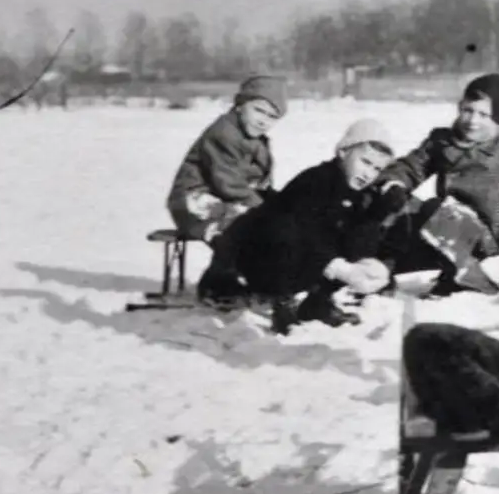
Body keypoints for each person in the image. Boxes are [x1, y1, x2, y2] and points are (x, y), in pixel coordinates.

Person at [197, 118, 397, 334]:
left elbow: (351, 241)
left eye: (377, 168)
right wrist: (339, 268)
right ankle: (281, 302)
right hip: (254, 260)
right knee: (291, 227)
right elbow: (301, 230)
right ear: (343, 152)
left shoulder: (357, 194)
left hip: (295, 263)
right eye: (365, 162)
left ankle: (317, 303)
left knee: (358, 230)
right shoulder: (316, 181)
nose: (369, 173)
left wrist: (377, 215)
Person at [373, 73, 499, 296]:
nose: (472, 121)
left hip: (486, 235)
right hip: (442, 225)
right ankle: (379, 273)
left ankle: (461, 272)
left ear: (498, 117)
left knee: (436, 210)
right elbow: (411, 166)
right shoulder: (442, 140)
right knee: (394, 203)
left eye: (483, 114)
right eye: (467, 110)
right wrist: (394, 184)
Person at [165, 76, 285, 246]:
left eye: (272, 116)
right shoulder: (223, 134)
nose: (263, 120)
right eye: (258, 110)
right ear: (240, 105)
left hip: (230, 201)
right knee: (247, 232)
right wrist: (265, 209)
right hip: (196, 202)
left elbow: (260, 183)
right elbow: (229, 183)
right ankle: (226, 268)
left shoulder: (256, 139)